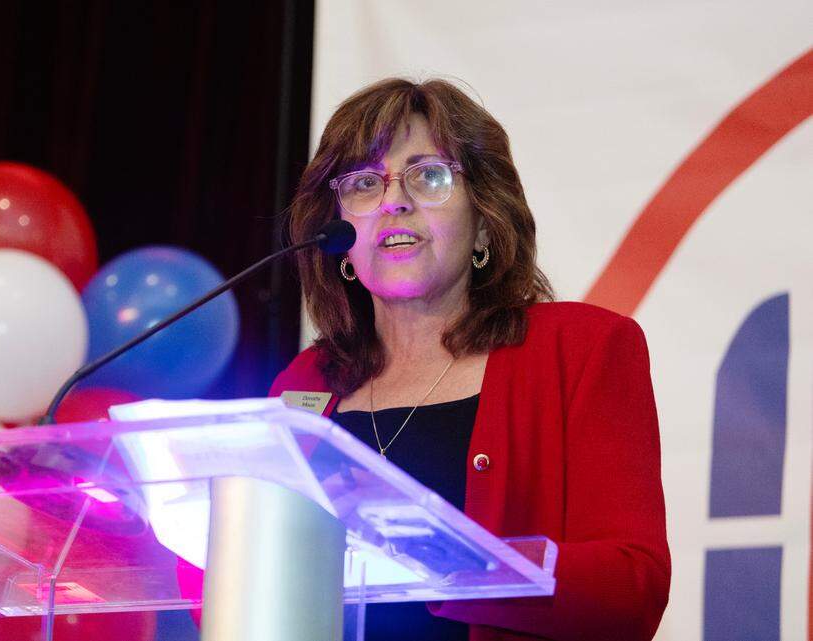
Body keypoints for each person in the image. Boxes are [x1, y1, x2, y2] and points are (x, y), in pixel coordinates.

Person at [269, 78, 670, 641]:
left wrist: (445, 560)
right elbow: (240, 582)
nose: (393, 201)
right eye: (364, 183)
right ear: (338, 238)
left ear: (484, 219)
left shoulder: (581, 350)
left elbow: (632, 587)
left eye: (429, 175)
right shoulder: (303, 382)